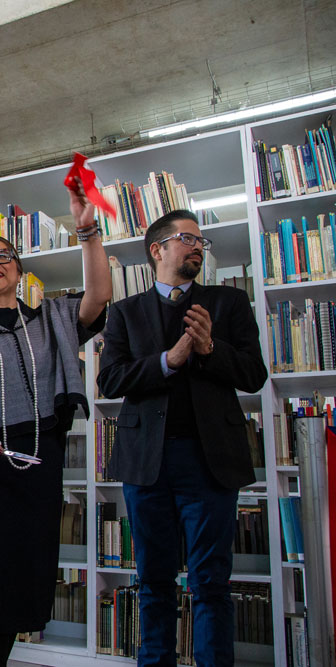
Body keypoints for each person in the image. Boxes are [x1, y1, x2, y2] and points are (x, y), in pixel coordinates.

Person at [0, 185, 111, 665]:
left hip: (36, 469)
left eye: (2, 255)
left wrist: (87, 231)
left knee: (23, 574)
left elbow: (99, 296)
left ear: (19, 270)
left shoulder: (53, 319)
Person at [97, 210, 267, 666]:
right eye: (188, 239)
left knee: (211, 581)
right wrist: (167, 361)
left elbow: (254, 375)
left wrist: (210, 349)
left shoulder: (229, 303)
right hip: (146, 464)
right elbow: (109, 381)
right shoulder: (125, 312)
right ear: (158, 249)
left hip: (211, 462)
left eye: (201, 242)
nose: (198, 247)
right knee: (153, 580)